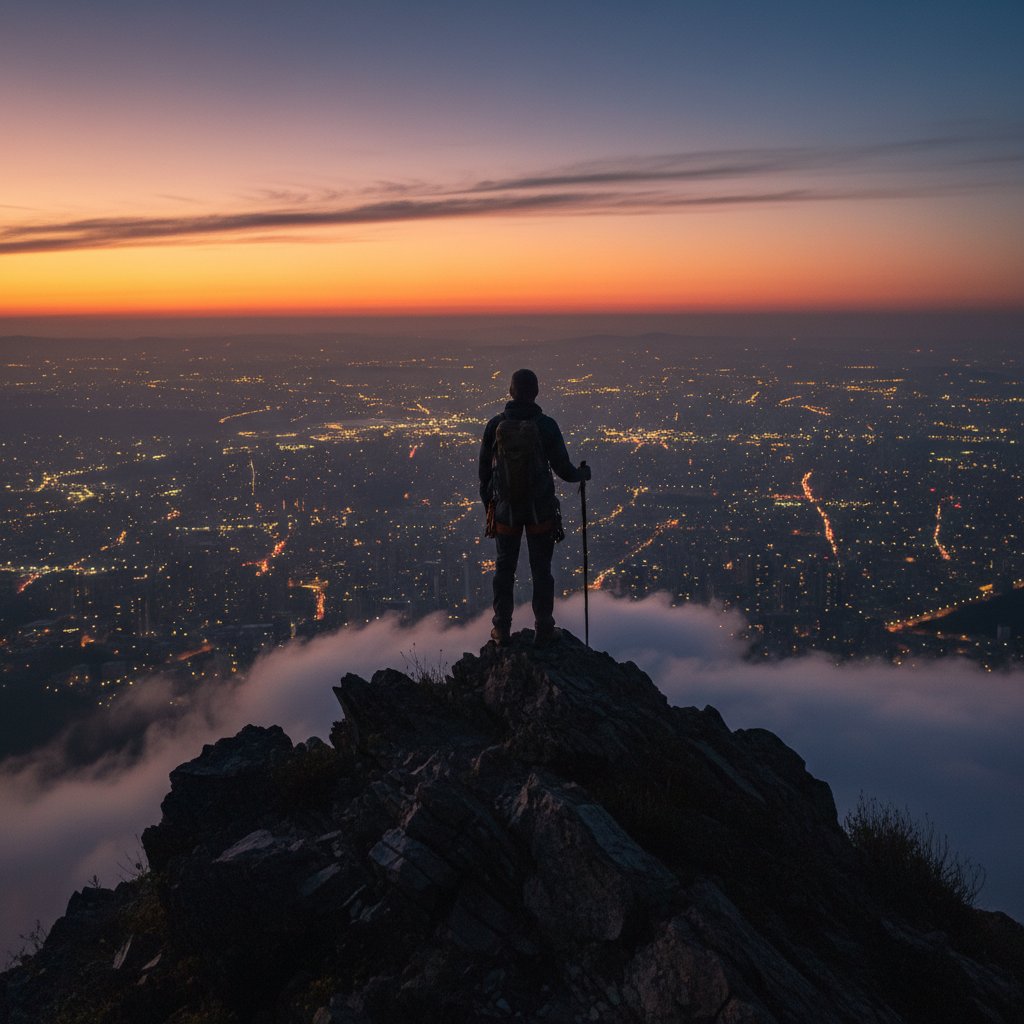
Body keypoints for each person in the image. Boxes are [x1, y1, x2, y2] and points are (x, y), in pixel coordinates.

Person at [479, 368, 590, 645]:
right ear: (536, 392)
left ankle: (501, 629)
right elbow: (563, 469)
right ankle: (544, 628)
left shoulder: (495, 425)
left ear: (511, 391)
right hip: (540, 510)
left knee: (504, 569)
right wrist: (582, 474)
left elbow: (484, 473)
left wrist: (491, 507)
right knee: (542, 570)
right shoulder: (546, 426)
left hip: (506, 511)